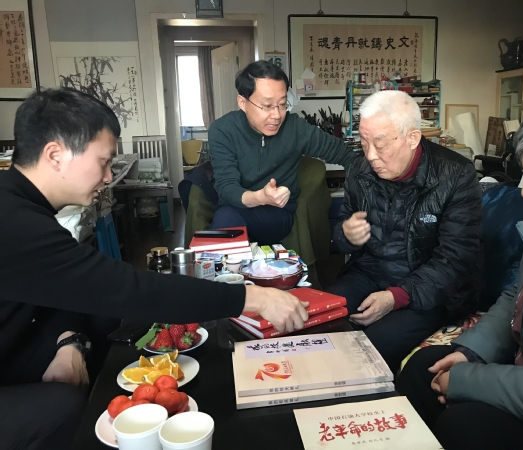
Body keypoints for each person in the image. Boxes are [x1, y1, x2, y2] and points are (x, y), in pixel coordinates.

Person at [0, 88, 309, 450]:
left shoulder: (20, 206)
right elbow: (125, 289)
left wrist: (70, 341)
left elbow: (66, 285)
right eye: (104, 162)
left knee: (99, 322)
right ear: (55, 155)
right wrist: (252, 298)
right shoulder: (14, 223)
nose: (108, 176)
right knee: (61, 408)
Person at [396, 88, 523, 450]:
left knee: (466, 425)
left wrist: (469, 381)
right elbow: (517, 298)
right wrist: (472, 352)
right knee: (424, 369)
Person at [326, 90, 482, 374]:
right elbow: (342, 233)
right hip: (369, 273)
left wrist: (396, 296)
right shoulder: (359, 168)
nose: (370, 156)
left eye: (380, 144)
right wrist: (345, 234)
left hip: (428, 288)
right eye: (364, 143)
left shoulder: (455, 175)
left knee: (374, 345)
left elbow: (455, 259)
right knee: (325, 317)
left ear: (412, 138)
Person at [208, 60, 357, 244]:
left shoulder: (295, 128)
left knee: (225, 222)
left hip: (276, 215)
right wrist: (260, 197)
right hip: (236, 208)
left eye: (282, 104)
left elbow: (344, 154)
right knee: (227, 218)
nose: (277, 115)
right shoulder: (223, 130)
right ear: (242, 102)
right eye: (267, 106)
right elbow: (227, 187)